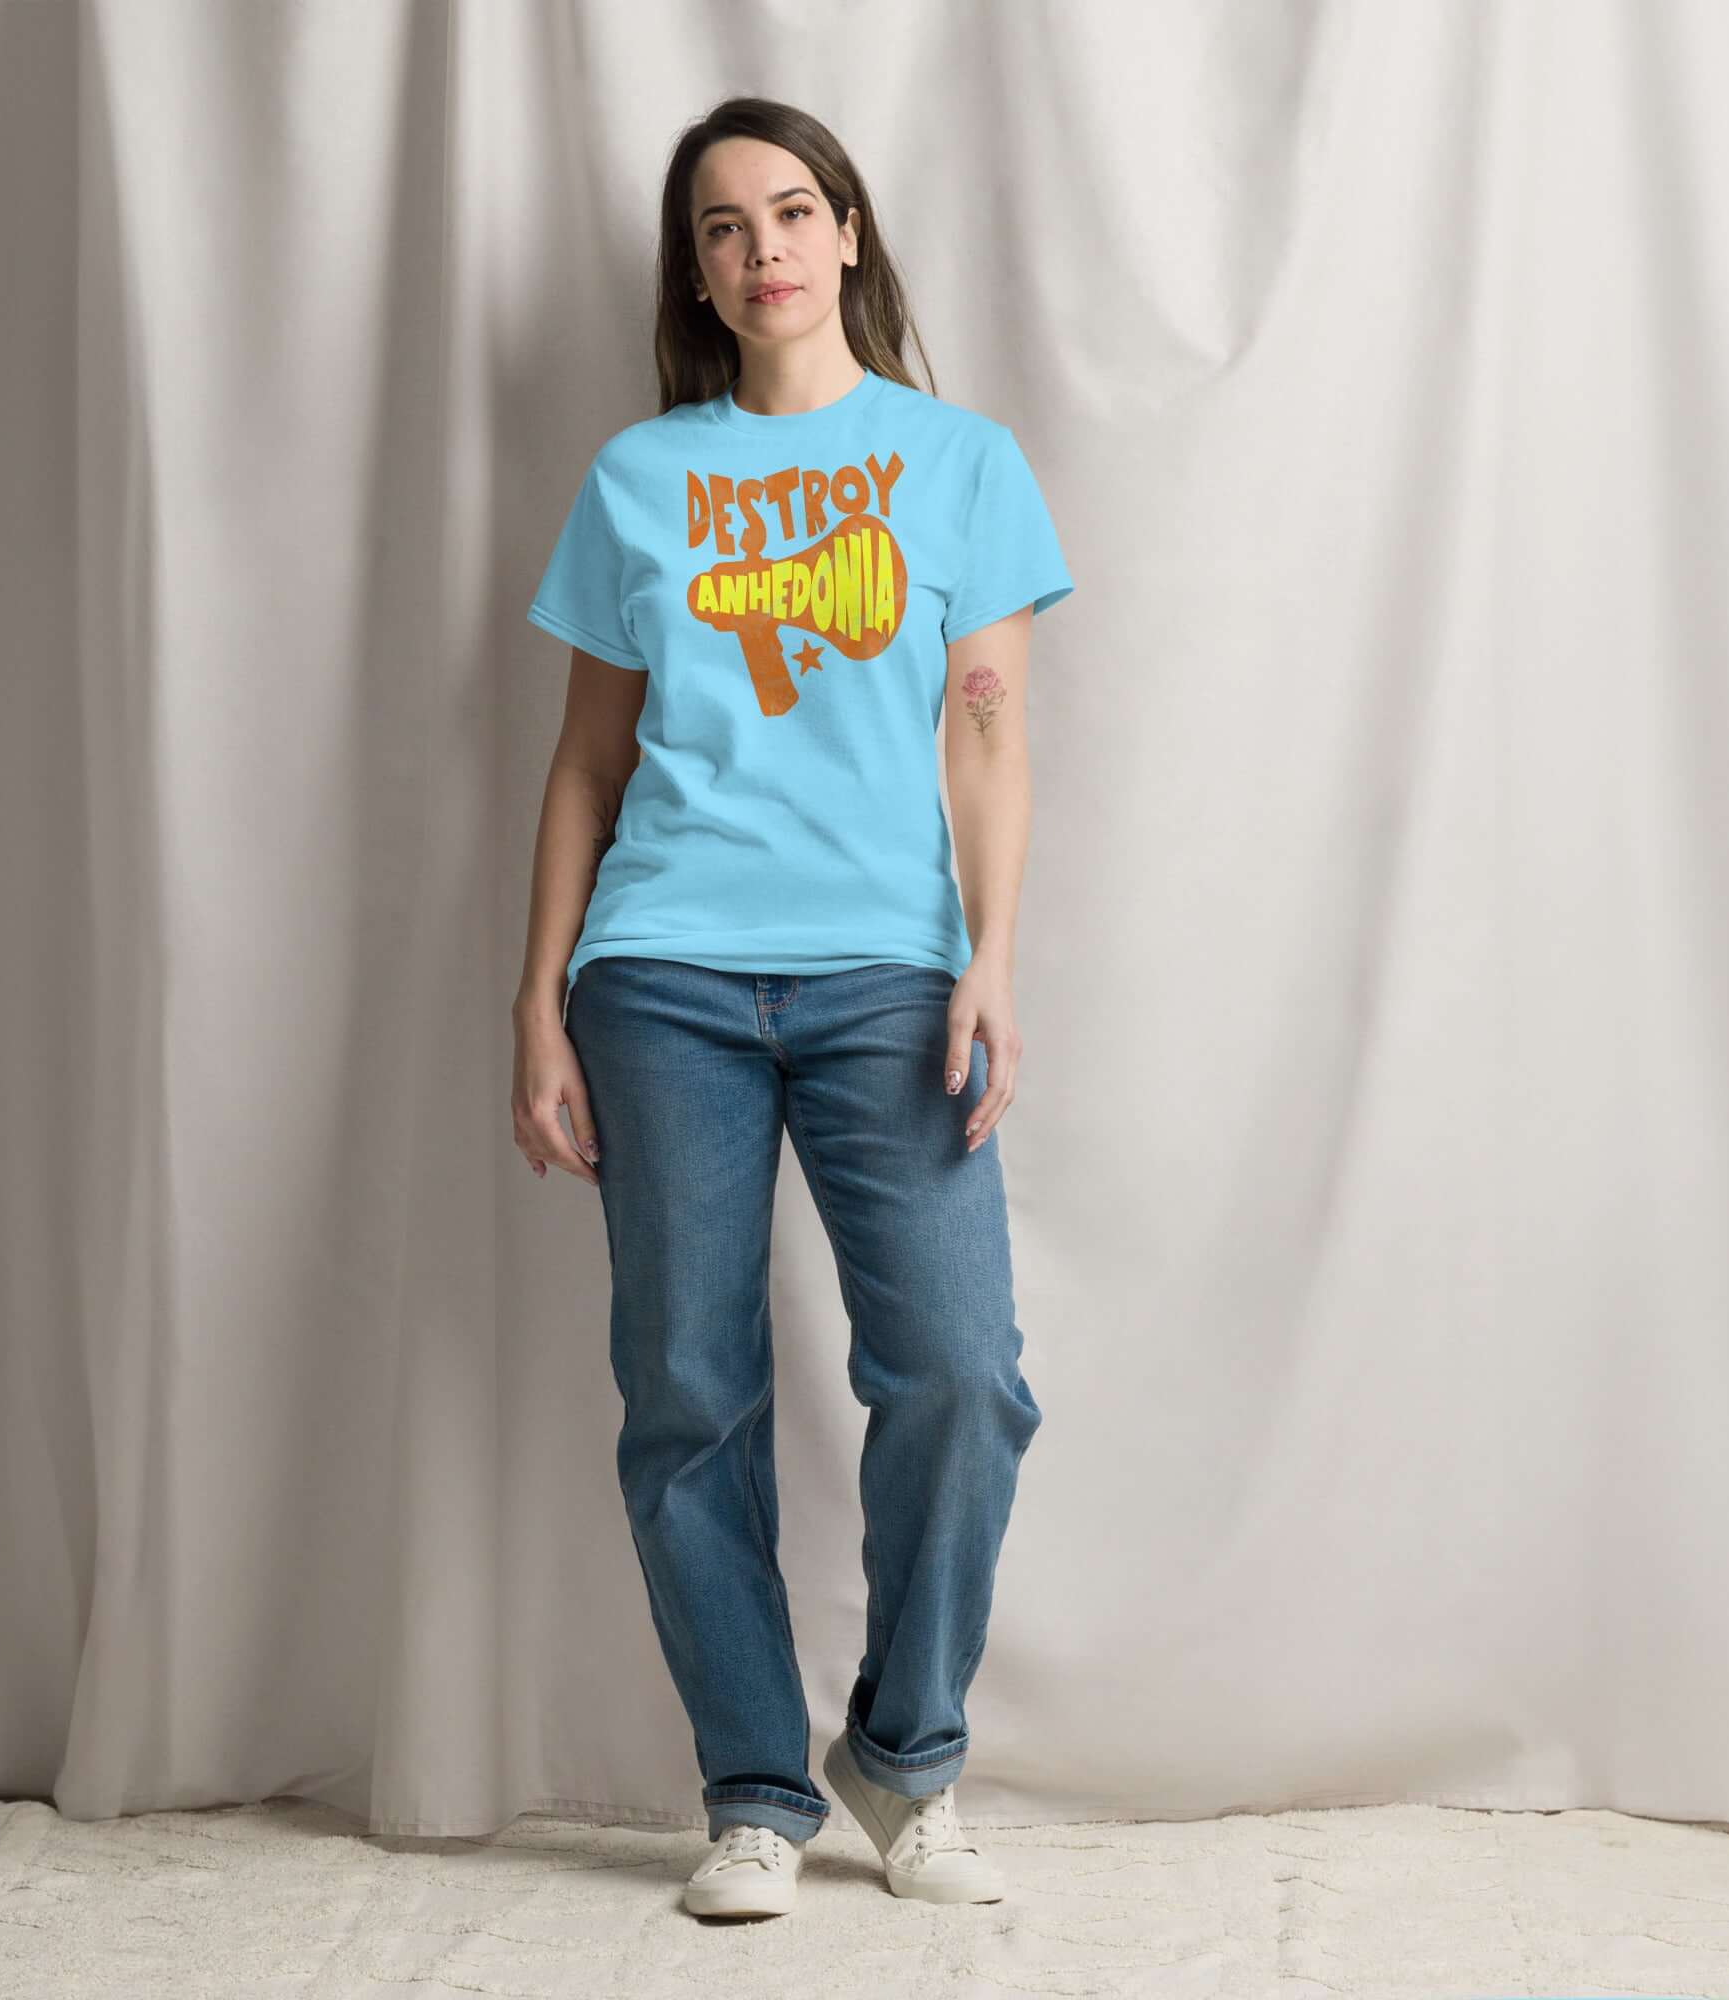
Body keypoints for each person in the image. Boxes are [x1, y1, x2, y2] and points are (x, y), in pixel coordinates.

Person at [510, 95, 1073, 1922]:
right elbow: (587, 769)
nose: (763, 250)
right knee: (686, 1390)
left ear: (849, 235)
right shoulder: (637, 481)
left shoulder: (962, 463)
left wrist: (990, 953)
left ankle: (901, 1756)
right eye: (724, 229)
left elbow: (985, 730)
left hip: (888, 977)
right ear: (699, 272)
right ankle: (754, 1785)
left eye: (793, 212)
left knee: (962, 1381)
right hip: (661, 974)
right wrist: (540, 1004)